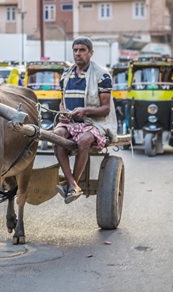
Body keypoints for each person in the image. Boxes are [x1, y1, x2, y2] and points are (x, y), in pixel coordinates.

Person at [53, 37, 117, 204]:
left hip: (94, 123)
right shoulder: (66, 74)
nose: (78, 54)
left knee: (84, 140)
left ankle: (71, 184)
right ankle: (73, 184)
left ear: (91, 53)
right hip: (70, 123)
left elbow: (106, 109)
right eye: (75, 50)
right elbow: (62, 102)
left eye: (82, 50)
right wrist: (62, 114)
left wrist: (85, 111)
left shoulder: (102, 75)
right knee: (56, 136)